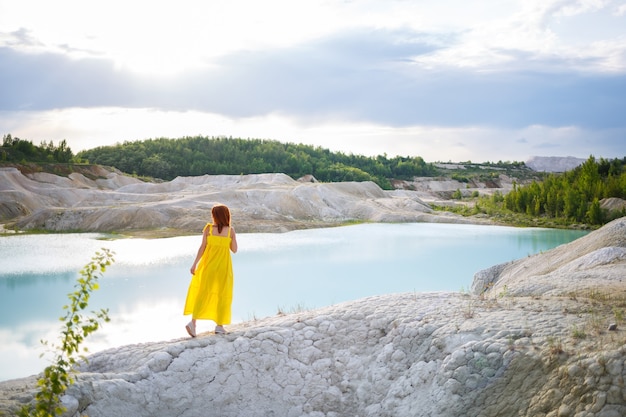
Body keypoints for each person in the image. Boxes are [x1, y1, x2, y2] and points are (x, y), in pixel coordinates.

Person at [184, 203, 238, 337]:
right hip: (223, 268)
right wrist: (233, 237)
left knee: (203, 293)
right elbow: (235, 250)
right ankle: (219, 325)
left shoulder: (208, 229)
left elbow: (202, 248)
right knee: (222, 295)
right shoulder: (230, 230)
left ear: (214, 216)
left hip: (208, 266)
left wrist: (194, 264)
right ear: (227, 216)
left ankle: (193, 323)